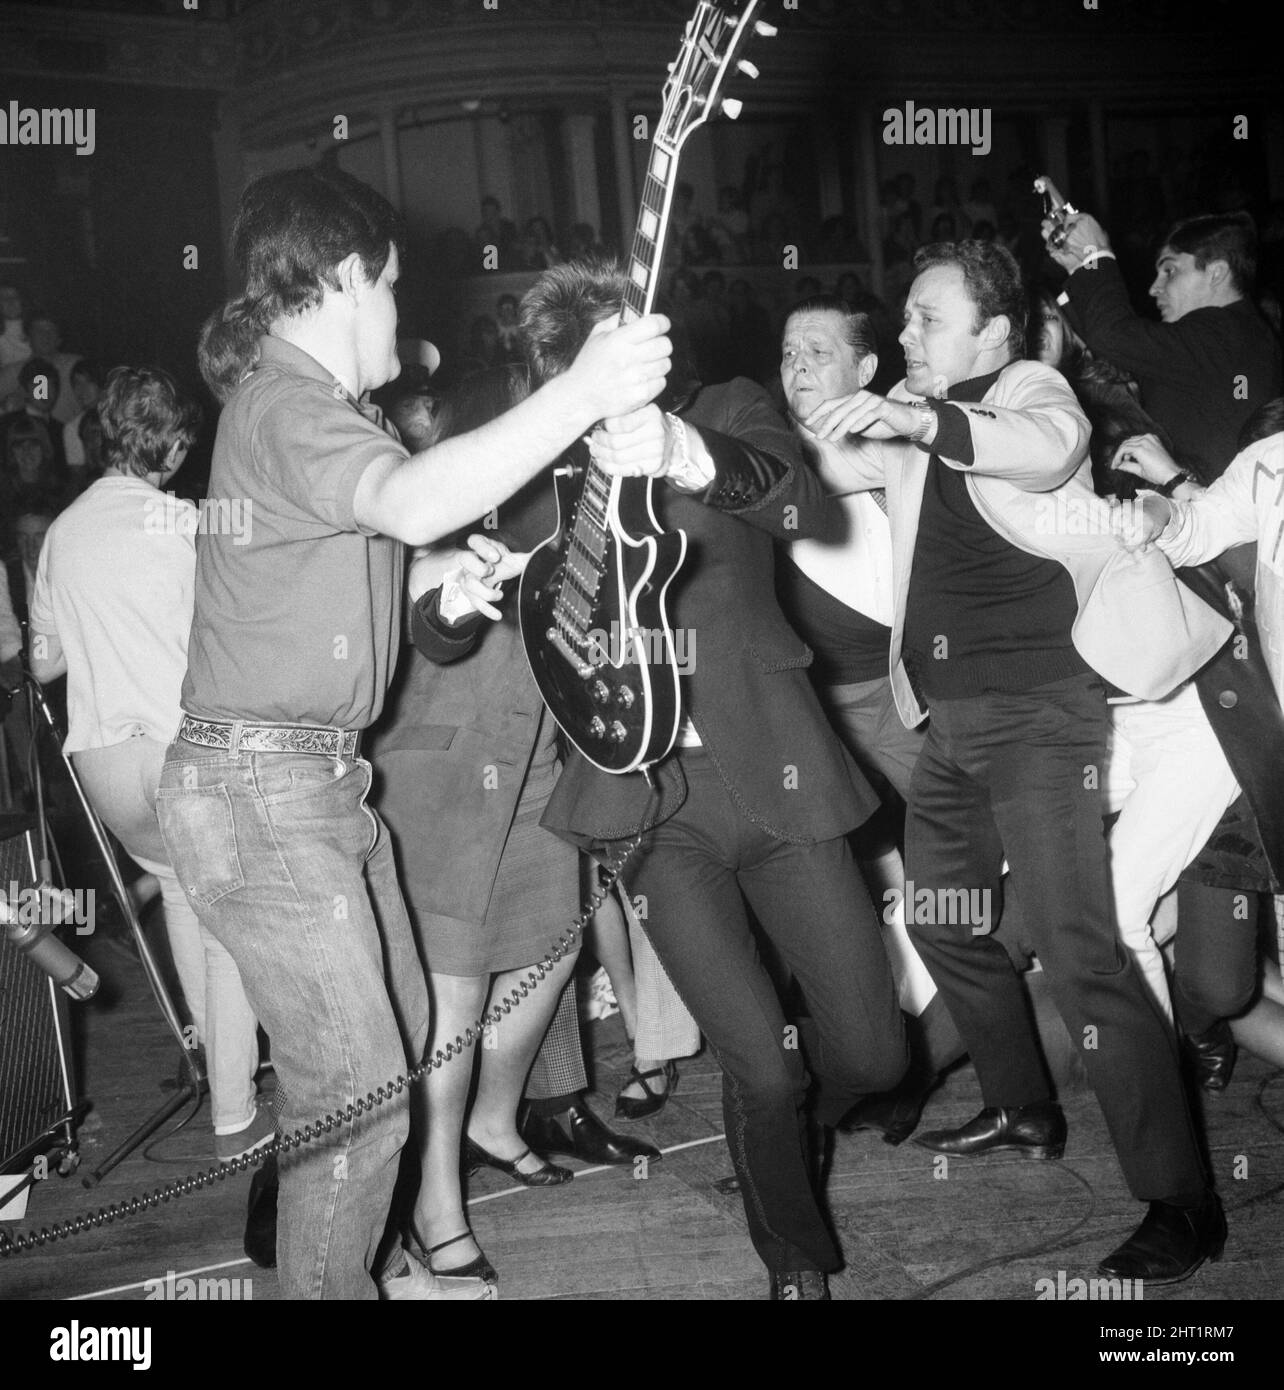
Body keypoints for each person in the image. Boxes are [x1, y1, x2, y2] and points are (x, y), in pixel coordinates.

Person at [152, 165, 670, 1301]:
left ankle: (370, 1268)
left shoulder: (310, 412)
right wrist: (584, 390)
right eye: (389, 284)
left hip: (309, 790)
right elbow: (411, 499)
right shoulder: (290, 400)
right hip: (266, 793)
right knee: (360, 1093)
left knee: (379, 1064)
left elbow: (350, 555)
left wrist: (438, 571)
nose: (404, 308)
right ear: (345, 278)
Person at [799, 238, 1229, 1285]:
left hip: (1045, 719)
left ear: (991, 329)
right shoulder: (909, 411)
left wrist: (914, 414)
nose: (906, 334)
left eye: (928, 319)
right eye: (903, 319)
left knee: (1084, 951)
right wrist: (798, 420)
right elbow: (828, 470)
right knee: (944, 917)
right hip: (950, 721)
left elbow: (1044, 446)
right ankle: (1023, 1103)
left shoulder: (1026, 389)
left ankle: (1185, 1202)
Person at [532, 260, 909, 1301]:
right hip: (658, 809)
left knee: (874, 1055)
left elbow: (798, 506)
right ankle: (794, 1257)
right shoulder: (554, 464)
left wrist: (686, 452)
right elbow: (528, 612)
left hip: (778, 781)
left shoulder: (729, 408)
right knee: (765, 1063)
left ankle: (786, 1129)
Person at [369, 365, 657, 1297]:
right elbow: (423, 613)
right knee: (451, 999)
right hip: (442, 755)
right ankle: (435, 1201)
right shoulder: (417, 483)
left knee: (544, 951)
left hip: (536, 737)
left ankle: (496, 1123)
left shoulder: (585, 456)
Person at [26, 367, 269, 1178]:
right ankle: (236, 1113)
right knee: (229, 924)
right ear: (170, 444)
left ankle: (219, 1074)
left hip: (101, 765)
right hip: (178, 749)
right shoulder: (188, 523)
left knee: (184, 901)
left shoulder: (62, 531)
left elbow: (44, 660)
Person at [775, 295, 965, 1144]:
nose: (800, 364)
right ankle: (857, 1057)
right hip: (807, 716)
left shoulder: (901, 453)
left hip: (900, 704)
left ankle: (928, 1054)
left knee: (958, 882)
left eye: (820, 348)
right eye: (788, 351)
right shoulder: (758, 454)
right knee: (832, 892)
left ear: (867, 371)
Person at [1044, 209, 1282, 483]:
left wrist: (1094, 254)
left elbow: (1112, 334)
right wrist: (1079, 263)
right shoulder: (1235, 338)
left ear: (1216, 273)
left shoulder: (1227, 334)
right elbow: (1110, 348)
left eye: (1170, 271)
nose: (1154, 288)